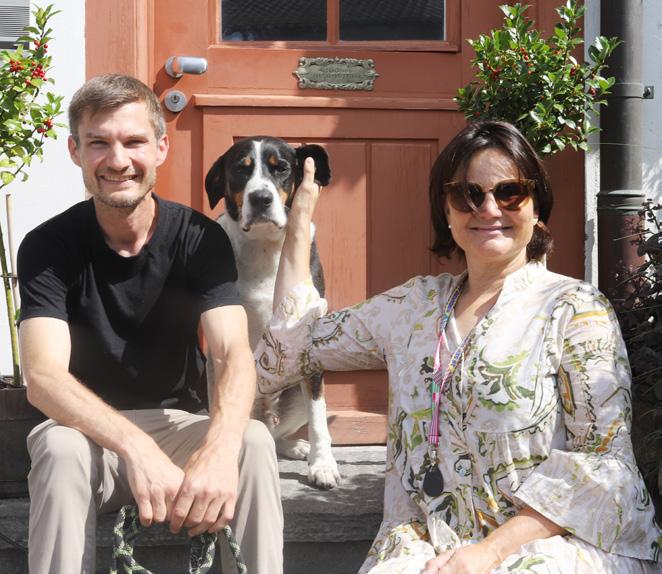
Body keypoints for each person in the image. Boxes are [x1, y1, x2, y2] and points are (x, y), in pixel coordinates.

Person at [256, 121, 662, 573]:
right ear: (446, 212)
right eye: (467, 195)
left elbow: (602, 463)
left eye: (510, 192)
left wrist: (490, 553)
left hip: (555, 542)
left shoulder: (575, 310)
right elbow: (293, 347)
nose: (488, 208)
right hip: (426, 543)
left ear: (537, 208)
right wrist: (299, 221)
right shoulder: (412, 307)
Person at [18, 74, 283, 574]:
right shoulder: (48, 246)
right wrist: (135, 447)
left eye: (134, 141)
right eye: (99, 143)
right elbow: (44, 377)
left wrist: (219, 449)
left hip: (178, 425)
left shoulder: (199, 238)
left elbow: (231, 353)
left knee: (251, 441)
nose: (118, 160)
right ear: (75, 151)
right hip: (87, 435)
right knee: (57, 447)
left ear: (161, 148)